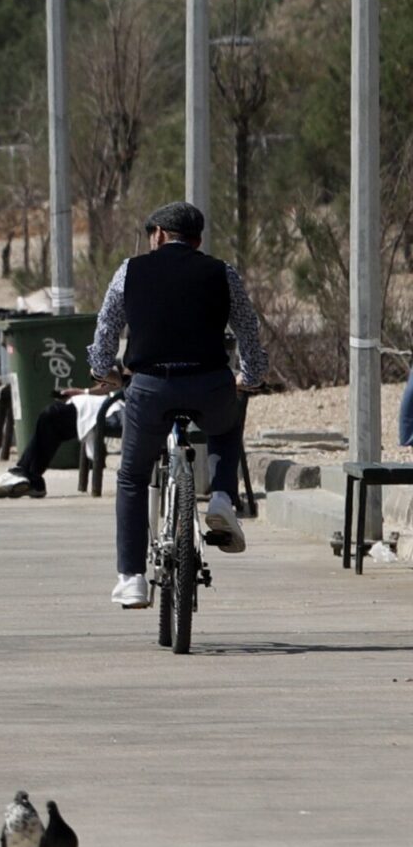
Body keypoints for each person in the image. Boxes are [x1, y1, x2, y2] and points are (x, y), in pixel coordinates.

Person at [79, 202, 267, 610]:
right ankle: (222, 498)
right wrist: (251, 377)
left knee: (132, 477)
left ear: (160, 234)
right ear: (197, 240)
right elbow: (248, 330)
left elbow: (107, 327)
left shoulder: (129, 271)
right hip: (209, 385)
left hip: (150, 389)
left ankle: (131, 579)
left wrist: (101, 370)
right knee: (225, 426)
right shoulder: (223, 272)